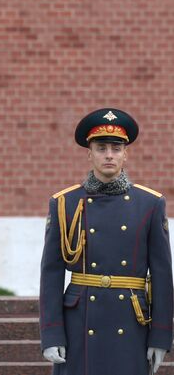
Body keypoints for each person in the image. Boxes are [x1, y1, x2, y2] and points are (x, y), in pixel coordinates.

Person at [39, 108, 173, 374]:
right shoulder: (65, 203)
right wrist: (51, 335)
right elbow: (51, 273)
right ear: (89, 154)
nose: (109, 155)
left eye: (115, 148)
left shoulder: (150, 204)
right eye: (101, 148)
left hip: (131, 321)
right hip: (79, 324)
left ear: (126, 153)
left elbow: (161, 275)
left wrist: (160, 337)